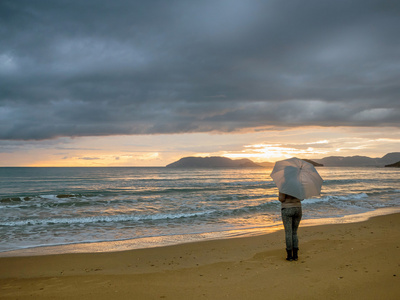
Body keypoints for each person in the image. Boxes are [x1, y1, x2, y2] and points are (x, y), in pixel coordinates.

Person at [279, 192, 302, 261]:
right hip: (298, 208)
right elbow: (302, 198)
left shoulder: (284, 186)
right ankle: (295, 255)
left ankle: (289, 255)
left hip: (287, 208)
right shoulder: (299, 185)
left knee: (288, 232)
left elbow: (281, 199)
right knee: (294, 232)